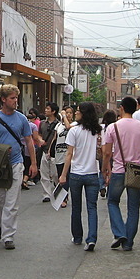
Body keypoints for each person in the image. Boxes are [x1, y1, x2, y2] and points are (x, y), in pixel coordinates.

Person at [0, 84, 37, 250]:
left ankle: (8, 236)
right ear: (3, 99)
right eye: (12, 98)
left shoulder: (21, 119)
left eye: (16, 98)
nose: (15, 101)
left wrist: (33, 163)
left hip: (16, 163)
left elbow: (28, 141)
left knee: (12, 202)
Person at [103, 96, 140, 252]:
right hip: (137, 169)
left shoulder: (113, 127)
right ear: (135, 108)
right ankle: (128, 242)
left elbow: (106, 152)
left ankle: (119, 233)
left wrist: (106, 169)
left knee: (112, 202)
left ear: (122, 108)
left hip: (118, 169)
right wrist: (139, 153)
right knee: (133, 207)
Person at [59, 102, 101, 251]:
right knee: (92, 207)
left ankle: (77, 237)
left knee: (76, 207)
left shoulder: (74, 131)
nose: (76, 113)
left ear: (83, 113)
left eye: (78, 111)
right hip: (92, 174)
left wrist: (63, 175)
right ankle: (92, 239)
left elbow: (69, 154)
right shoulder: (97, 131)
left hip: (76, 174)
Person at [39, 103, 61, 203]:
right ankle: (46, 195)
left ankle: (59, 192)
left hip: (55, 153)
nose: (46, 110)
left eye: (48, 109)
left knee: (55, 174)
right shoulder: (42, 123)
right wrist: (40, 140)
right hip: (44, 151)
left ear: (53, 111)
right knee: (44, 174)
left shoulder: (59, 124)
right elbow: (39, 135)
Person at [99, 110, 118, 198]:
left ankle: (102, 185)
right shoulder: (116, 127)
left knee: (102, 170)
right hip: (114, 152)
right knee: (112, 172)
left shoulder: (102, 127)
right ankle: (109, 190)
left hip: (104, 151)